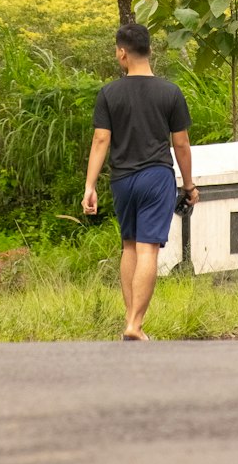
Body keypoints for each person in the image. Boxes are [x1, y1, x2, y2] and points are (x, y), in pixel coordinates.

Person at [82, 22, 198, 341]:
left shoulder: (109, 93)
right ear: (150, 50)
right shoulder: (170, 92)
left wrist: (90, 186)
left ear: (122, 52)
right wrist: (189, 186)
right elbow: (182, 145)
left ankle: (130, 320)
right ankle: (135, 324)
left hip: (122, 180)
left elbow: (100, 140)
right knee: (148, 250)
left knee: (129, 246)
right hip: (156, 177)